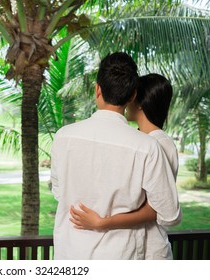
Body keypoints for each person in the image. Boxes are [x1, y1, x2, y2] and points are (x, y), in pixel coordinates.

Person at [50, 53, 181, 259]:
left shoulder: (63, 137)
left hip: (71, 255)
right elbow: (169, 214)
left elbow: (59, 193)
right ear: (132, 96)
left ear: (97, 89)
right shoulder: (147, 147)